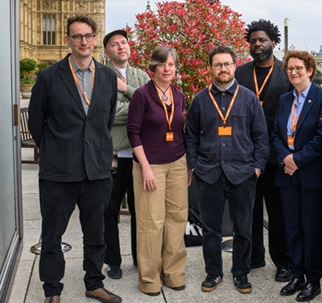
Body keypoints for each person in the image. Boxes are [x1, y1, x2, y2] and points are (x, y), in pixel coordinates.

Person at [28, 15, 122, 303]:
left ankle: (94, 283)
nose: (83, 41)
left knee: (96, 233)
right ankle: (52, 291)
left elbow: (103, 121)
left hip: (96, 170)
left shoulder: (107, 76)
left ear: (95, 39)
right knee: (52, 235)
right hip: (59, 172)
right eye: (77, 36)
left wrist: (95, 151)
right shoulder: (48, 76)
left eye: (88, 36)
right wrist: (58, 150)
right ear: (68, 39)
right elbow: (36, 122)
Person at [185, 46, 269, 294]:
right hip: (208, 173)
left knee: (243, 228)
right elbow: (190, 136)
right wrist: (194, 165)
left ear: (235, 66)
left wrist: (256, 168)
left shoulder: (249, 98)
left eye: (227, 64)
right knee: (210, 229)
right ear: (210, 68)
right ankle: (213, 272)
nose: (223, 69)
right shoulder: (200, 99)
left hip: (242, 173)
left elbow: (261, 137)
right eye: (218, 64)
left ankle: (241, 273)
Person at [127, 46, 188, 296]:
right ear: (153, 68)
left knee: (177, 220)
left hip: (177, 164)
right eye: (162, 64)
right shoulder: (142, 95)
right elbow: (133, 132)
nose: (167, 69)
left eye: (171, 64)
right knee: (151, 223)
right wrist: (145, 169)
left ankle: (173, 272)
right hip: (149, 166)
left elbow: (181, 131)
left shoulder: (179, 95)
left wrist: (187, 166)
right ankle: (149, 278)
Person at [271, 50, 322, 302]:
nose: (294, 72)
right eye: (290, 69)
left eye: (298, 68)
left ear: (310, 70)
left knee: (312, 230)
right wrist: (285, 157)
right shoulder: (285, 99)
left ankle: (313, 279)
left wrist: (296, 160)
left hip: (312, 177)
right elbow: (275, 133)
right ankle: (297, 275)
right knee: (292, 228)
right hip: (287, 175)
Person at [235, 19, 292, 282]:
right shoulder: (240, 74)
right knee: (249, 211)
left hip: (277, 157)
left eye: (262, 40)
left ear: (273, 42)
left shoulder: (287, 74)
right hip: (245, 155)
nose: (257, 45)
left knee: (278, 213)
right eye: (253, 41)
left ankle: (282, 262)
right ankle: (252, 258)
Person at [102, 29, 151, 280]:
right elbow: (106, 115)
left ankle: (139, 257)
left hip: (137, 156)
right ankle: (112, 260)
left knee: (139, 210)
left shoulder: (140, 75)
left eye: (124, 42)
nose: (120, 47)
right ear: (107, 51)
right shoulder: (99, 77)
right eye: (114, 44)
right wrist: (135, 106)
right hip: (110, 157)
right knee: (109, 211)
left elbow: (150, 109)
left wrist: (126, 89)